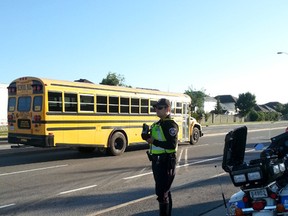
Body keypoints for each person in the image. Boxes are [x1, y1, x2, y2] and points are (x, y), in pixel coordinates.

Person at [142, 98, 178, 216]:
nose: (156, 110)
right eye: (155, 108)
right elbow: (155, 140)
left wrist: (154, 141)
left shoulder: (170, 124)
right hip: (157, 162)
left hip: (166, 162)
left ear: (168, 109)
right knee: (164, 192)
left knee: (162, 193)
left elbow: (172, 145)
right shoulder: (158, 124)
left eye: (159, 108)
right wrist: (146, 136)